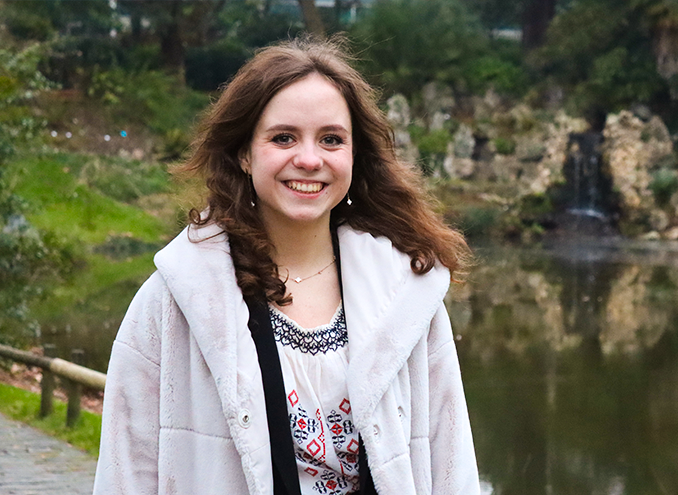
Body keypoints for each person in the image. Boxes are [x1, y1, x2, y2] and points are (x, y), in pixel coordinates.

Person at [92, 36, 479, 495]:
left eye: (332, 139)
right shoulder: (175, 300)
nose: (309, 159)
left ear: (355, 156)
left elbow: (451, 467)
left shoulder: (409, 297)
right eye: (283, 138)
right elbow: (126, 472)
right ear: (244, 152)